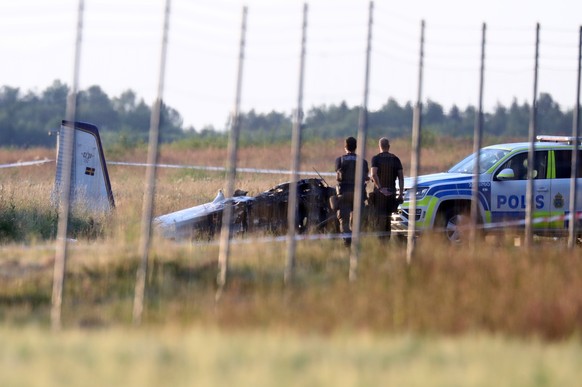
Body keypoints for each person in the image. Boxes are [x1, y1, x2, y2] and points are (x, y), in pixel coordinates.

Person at [334, 136, 369, 247]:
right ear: (356, 147)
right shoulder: (363, 162)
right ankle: (356, 241)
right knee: (357, 220)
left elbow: (337, 174)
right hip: (359, 195)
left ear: (345, 147)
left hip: (344, 194)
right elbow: (365, 176)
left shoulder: (339, 160)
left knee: (343, 221)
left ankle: (347, 241)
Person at [370, 137, 404, 242]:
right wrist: (400, 194)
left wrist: (380, 188)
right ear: (388, 147)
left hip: (379, 195)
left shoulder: (375, 159)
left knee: (379, 220)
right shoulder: (396, 159)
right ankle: (386, 242)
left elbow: (373, 174)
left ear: (379, 146)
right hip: (391, 193)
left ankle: (381, 243)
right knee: (388, 219)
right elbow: (401, 178)